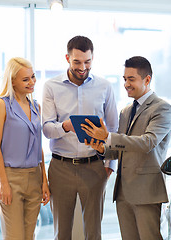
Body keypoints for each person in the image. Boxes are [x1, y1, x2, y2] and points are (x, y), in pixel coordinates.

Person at [82, 56, 171, 240]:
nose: (126, 84)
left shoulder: (162, 108)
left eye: (131, 79)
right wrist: (101, 147)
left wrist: (108, 136)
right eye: (125, 79)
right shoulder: (125, 111)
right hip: (123, 192)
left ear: (147, 80)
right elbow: (118, 151)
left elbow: (147, 142)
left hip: (146, 191)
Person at [41, 35, 118, 240]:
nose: (82, 67)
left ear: (93, 58)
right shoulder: (51, 86)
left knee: (94, 233)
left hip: (94, 166)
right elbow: (47, 129)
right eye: (77, 62)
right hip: (60, 167)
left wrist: (110, 164)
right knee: (61, 233)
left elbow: (113, 128)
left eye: (87, 62)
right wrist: (66, 126)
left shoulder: (104, 87)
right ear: (67, 58)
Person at [0, 57, 50, 240]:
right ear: (12, 81)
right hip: (11, 178)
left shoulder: (36, 107)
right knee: (15, 236)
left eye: (32, 77)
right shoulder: (1, 105)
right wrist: (4, 183)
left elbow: (38, 146)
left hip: (34, 177)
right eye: (25, 79)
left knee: (29, 235)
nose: (32, 82)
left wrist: (44, 180)